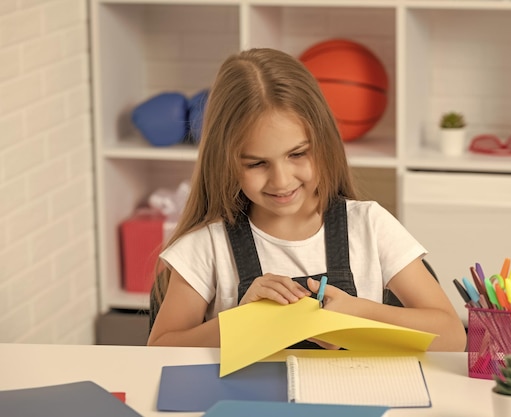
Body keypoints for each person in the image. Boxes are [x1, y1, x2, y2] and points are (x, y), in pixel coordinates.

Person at [147, 48, 466, 352]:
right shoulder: (208, 246)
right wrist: (242, 321)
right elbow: (159, 350)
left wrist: (359, 314)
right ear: (226, 162)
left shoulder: (370, 226)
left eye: (297, 154)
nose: (282, 180)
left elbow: (452, 337)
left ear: (324, 142)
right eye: (256, 163)